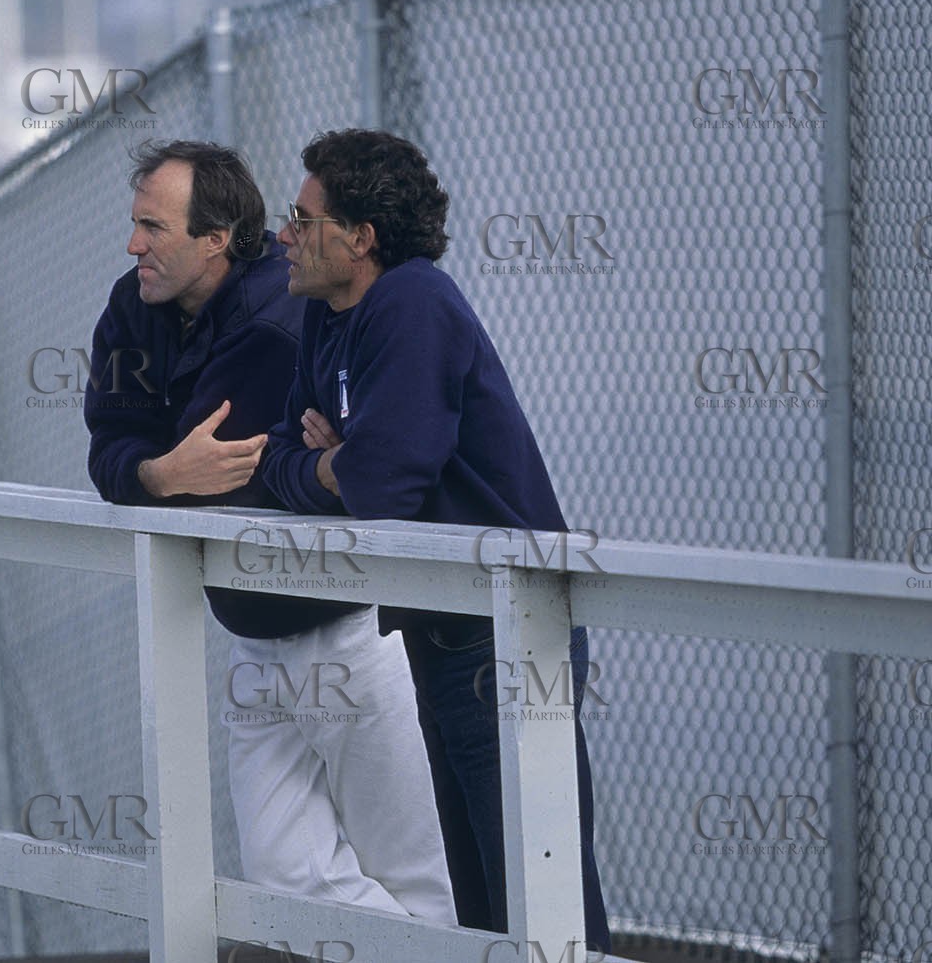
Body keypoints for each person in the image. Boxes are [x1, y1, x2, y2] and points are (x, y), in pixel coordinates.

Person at [84, 139, 454, 923]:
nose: (133, 244)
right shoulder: (132, 304)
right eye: (135, 223)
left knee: (421, 881)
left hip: (351, 628)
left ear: (216, 239)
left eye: (153, 226)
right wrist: (159, 474)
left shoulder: (280, 310)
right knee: (286, 879)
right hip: (251, 632)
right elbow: (114, 453)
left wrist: (164, 465)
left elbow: (234, 449)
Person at [260, 128, 611, 949]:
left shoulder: (414, 301)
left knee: (546, 899)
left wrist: (335, 461)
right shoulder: (326, 316)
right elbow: (276, 457)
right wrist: (326, 467)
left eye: (304, 218)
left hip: (509, 638)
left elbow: (385, 483)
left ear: (361, 237)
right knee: (481, 905)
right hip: (437, 633)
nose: (286, 233)